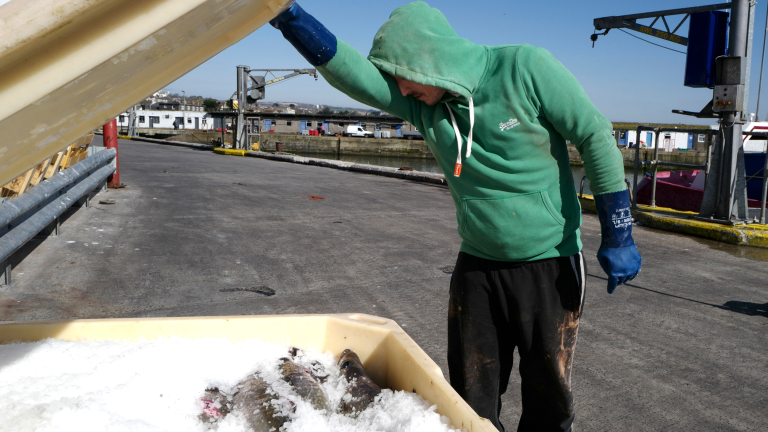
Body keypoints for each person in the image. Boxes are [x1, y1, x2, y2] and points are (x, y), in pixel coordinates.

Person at [271, 3, 641, 431]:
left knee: (548, 397)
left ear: (427, 59)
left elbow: (594, 134)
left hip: (549, 261)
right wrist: (288, 16)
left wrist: (618, 231)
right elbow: (353, 74)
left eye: (400, 78)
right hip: (478, 265)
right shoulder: (424, 105)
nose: (399, 92)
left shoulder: (525, 66)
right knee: (468, 396)